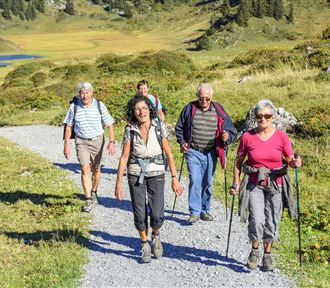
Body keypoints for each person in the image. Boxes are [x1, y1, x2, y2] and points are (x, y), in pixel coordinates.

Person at [229, 99, 302, 272]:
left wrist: (296, 163)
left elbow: (290, 161)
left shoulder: (281, 137)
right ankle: (254, 252)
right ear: (255, 117)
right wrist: (236, 182)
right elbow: (238, 161)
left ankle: (267, 256)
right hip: (254, 183)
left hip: (276, 184)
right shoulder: (248, 137)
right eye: (259, 116)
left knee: (272, 221)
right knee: (256, 220)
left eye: (267, 116)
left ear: (273, 117)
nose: (263, 119)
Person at [115, 95, 183, 263]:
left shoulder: (158, 126)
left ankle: (156, 234)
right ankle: (144, 243)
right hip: (136, 173)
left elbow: (168, 152)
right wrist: (118, 183)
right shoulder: (130, 129)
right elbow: (124, 157)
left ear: (149, 110)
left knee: (158, 213)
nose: (141, 112)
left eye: (144, 108)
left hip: (157, 172)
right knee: (139, 213)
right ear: (133, 112)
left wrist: (174, 178)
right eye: (138, 109)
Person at [175, 83, 236, 225]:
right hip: (193, 151)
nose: (204, 101)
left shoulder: (219, 110)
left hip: (211, 152)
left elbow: (231, 129)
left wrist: (227, 136)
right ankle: (195, 212)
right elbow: (179, 128)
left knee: (208, 182)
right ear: (197, 96)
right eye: (201, 98)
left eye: (207, 99)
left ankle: (205, 210)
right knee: (195, 179)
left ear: (211, 97)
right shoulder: (189, 109)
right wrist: (182, 141)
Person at [63, 82, 116, 212]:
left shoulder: (99, 105)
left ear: (91, 93)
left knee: (96, 168)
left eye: (87, 92)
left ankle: (94, 191)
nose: (84, 95)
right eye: (82, 93)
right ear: (79, 94)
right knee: (85, 168)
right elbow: (69, 126)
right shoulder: (74, 106)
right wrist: (66, 145)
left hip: (98, 140)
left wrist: (112, 141)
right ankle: (88, 199)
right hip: (81, 141)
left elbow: (109, 124)